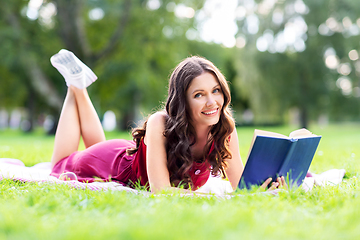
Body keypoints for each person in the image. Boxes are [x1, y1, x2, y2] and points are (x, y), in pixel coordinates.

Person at [49, 49, 286, 193]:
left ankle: (77, 83)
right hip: (112, 163)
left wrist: (266, 189)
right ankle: (76, 87)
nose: (212, 102)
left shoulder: (224, 127)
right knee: (59, 165)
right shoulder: (159, 123)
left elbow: (240, 187)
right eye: (198, 95)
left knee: (91, 146)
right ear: (182, 101)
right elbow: (162, 191)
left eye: (216, 91)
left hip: (127, 156)